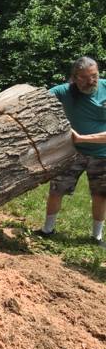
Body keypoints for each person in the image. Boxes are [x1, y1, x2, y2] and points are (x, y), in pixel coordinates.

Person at [38, 56, 106, 242]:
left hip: (103, 154)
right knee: (57, 189)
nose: (90, 81)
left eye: (94, 76)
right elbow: (36, 100)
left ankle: (96, 237)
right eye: (84, 77)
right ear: (74, 77)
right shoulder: (64, 91)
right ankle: (47, 230)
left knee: (101, 195)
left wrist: (83, 137)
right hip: (72, 152)